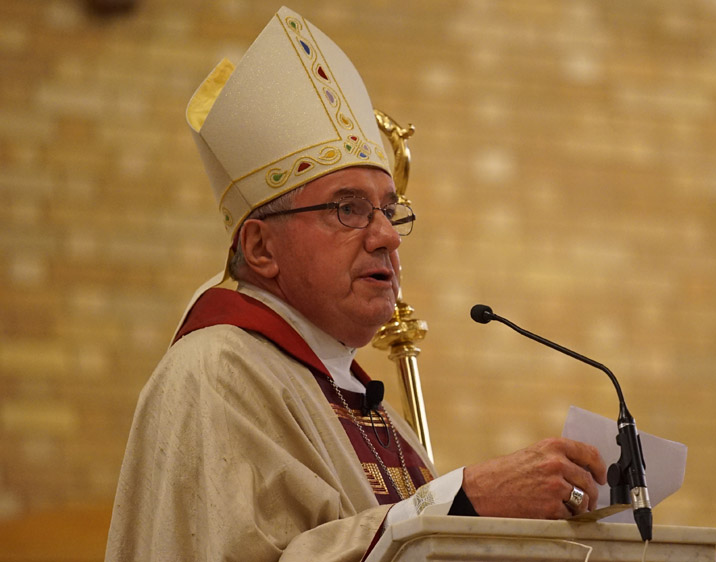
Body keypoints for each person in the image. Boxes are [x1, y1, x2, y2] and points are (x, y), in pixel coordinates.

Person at [105, 6, 606, 561]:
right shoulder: (216, 375)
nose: (387, 237)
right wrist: (464, 499)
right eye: (349, 209)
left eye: (390, 212)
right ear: (260, 247)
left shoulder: (371, 409)